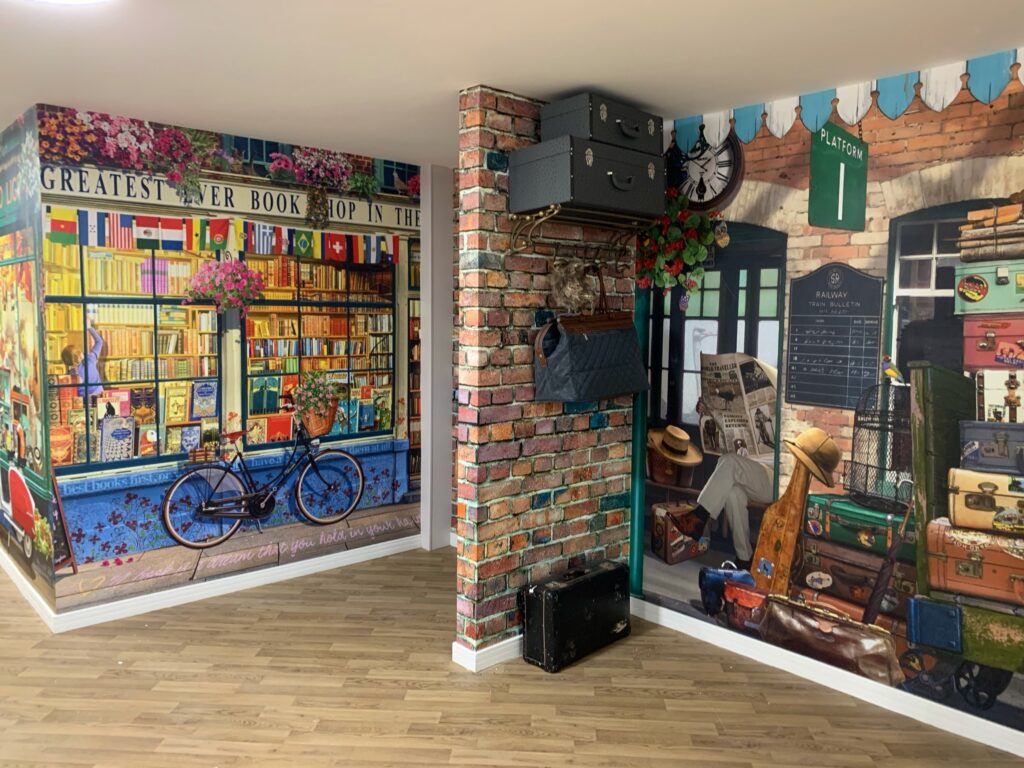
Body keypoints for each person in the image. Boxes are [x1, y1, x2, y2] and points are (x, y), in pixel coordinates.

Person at [685, 451, 774, 571]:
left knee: (729, 461)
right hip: (754, 468)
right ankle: (744, 559)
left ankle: (700, 515)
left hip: (774, 478)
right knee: (732, 493)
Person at [60, 320, 104, 398]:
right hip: (100, 396)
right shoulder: (90, 360)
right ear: (80, 356)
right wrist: (89, 328)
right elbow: (99, 342)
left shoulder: (70, 376)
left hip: (82, 402)